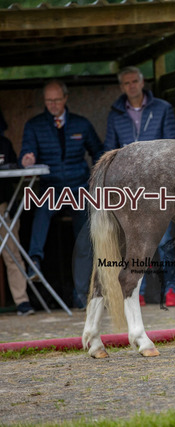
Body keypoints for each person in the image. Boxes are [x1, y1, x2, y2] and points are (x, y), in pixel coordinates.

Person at [19, 80, 103, 309]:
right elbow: (25, 153)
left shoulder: (81, 124)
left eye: (56, 100)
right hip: (51, 187)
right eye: (48, 101)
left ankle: (81, 295)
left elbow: (99, 152)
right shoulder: (34, 125)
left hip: (78, 188)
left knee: (84, 240)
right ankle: (34, 262)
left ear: (65, 98)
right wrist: (27, 159)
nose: (53, 105)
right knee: (41, 213)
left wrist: (96, 179)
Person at [104, 66, 175, 306]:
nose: (131, 86)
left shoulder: (163, 108)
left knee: (165, 240)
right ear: (122, 87)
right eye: (126, 83)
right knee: (134, 241)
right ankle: (137, 291)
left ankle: (171, 290)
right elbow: (109, 149)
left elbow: (173, 144)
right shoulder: (116, 114)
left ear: (142, 82)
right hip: (130, 189)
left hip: (159, 186)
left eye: (134, 81)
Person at [1, 110, 35, 315]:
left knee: (12, 253)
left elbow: (15, 173)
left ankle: (22, 301)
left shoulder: (4, 143)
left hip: (3, 205)